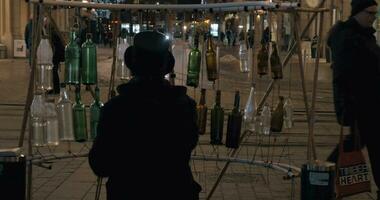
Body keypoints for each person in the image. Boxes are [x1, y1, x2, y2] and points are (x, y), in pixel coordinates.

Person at [88, 31, 202, 199]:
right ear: (165, 67)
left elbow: (101, 165)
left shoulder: (116, 109)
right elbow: (186, 147)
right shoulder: (184, 106)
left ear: (132, 66)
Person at [327, 0, 380, 198]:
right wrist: (348, 105)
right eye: (371, 13)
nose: (374, 17)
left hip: (370, 103)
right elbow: (344, 75)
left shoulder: (364, 35)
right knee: (367, 143)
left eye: (376, 13)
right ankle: (324, 174)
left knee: (358, 143)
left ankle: (325, 174)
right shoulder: (348, 37)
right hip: (362, 104)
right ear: (358, 13)